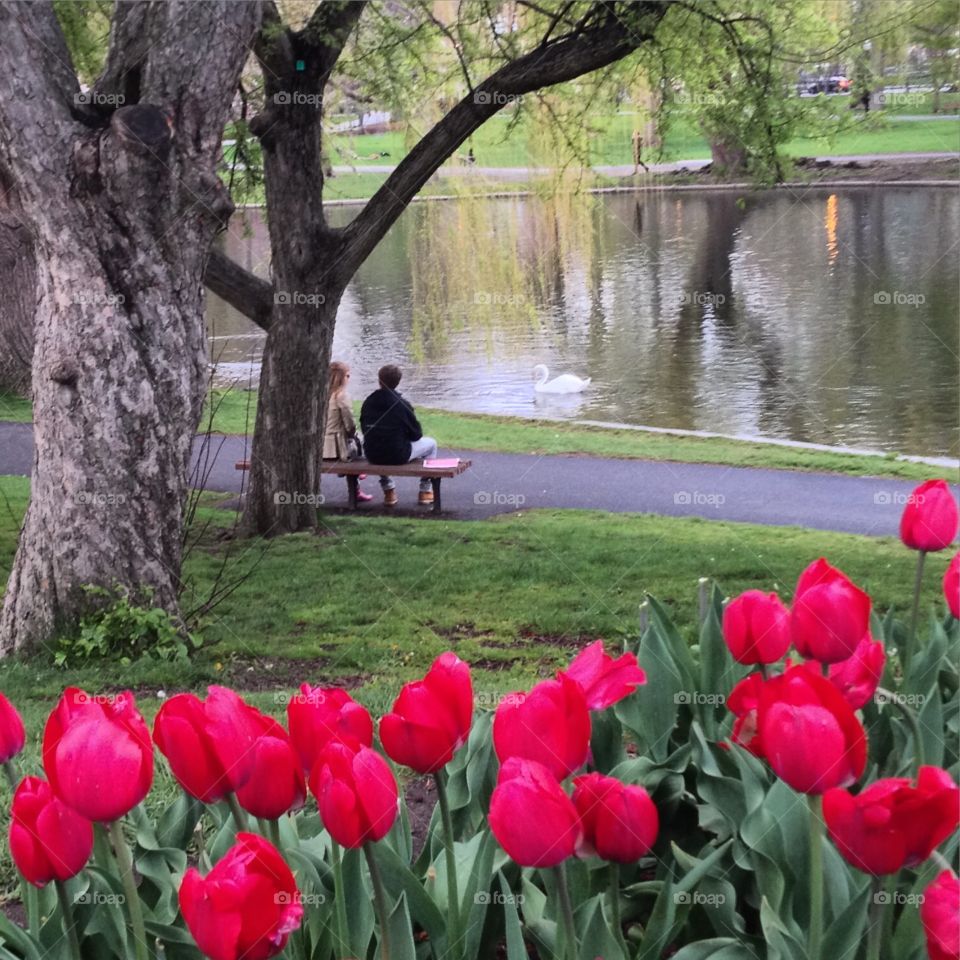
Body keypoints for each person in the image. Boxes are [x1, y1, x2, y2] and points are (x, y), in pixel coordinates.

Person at [360, 364, 438, 506]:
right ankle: (425, 490)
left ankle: (388, 491)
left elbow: (365, 429)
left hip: (372, 454)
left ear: (379, 380)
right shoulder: (402, 404)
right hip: (398, 455)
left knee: (378, 443)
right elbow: (416, 435)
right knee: (431, 444)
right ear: (398, 382)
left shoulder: (368, 402)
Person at [323, 361, 372, 502]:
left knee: (354, 441)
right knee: (358, 441)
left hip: (321, 446)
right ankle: (356, 487)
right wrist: (353, 434)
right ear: (342, 377)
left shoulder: (321, 395)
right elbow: (349, 423)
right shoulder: (341, 396)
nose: (349, 379)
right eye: (348, 376)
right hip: (336, 448)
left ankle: (356, 478)